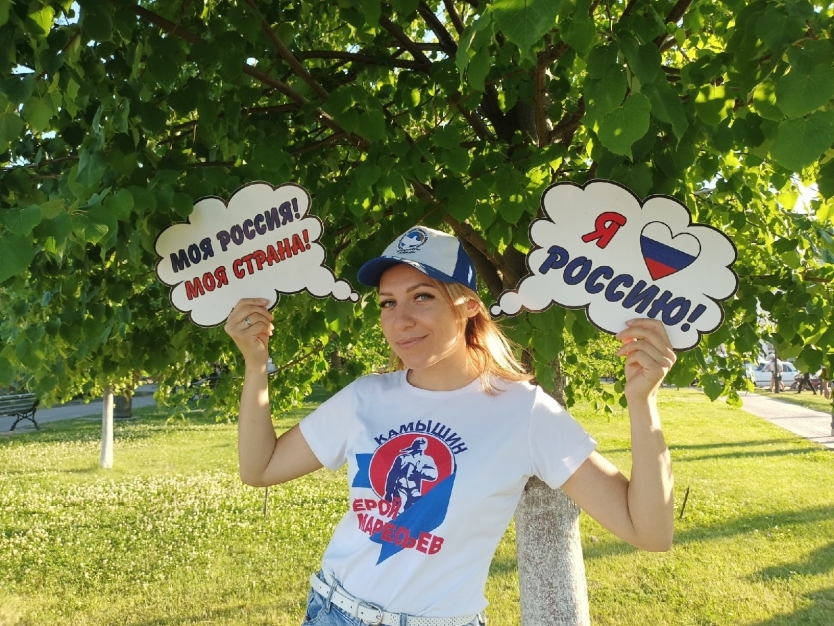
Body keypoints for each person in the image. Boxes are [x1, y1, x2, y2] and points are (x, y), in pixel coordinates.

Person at [225, 227, 675, 626]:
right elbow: (260, 468)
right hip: (334, 612)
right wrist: (255, 362)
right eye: (387, 303)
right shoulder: (365, 397)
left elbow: (649, 532)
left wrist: (642, 401)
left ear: (469, 306)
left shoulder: (525, 412)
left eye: (422, 296)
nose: (400, 320)